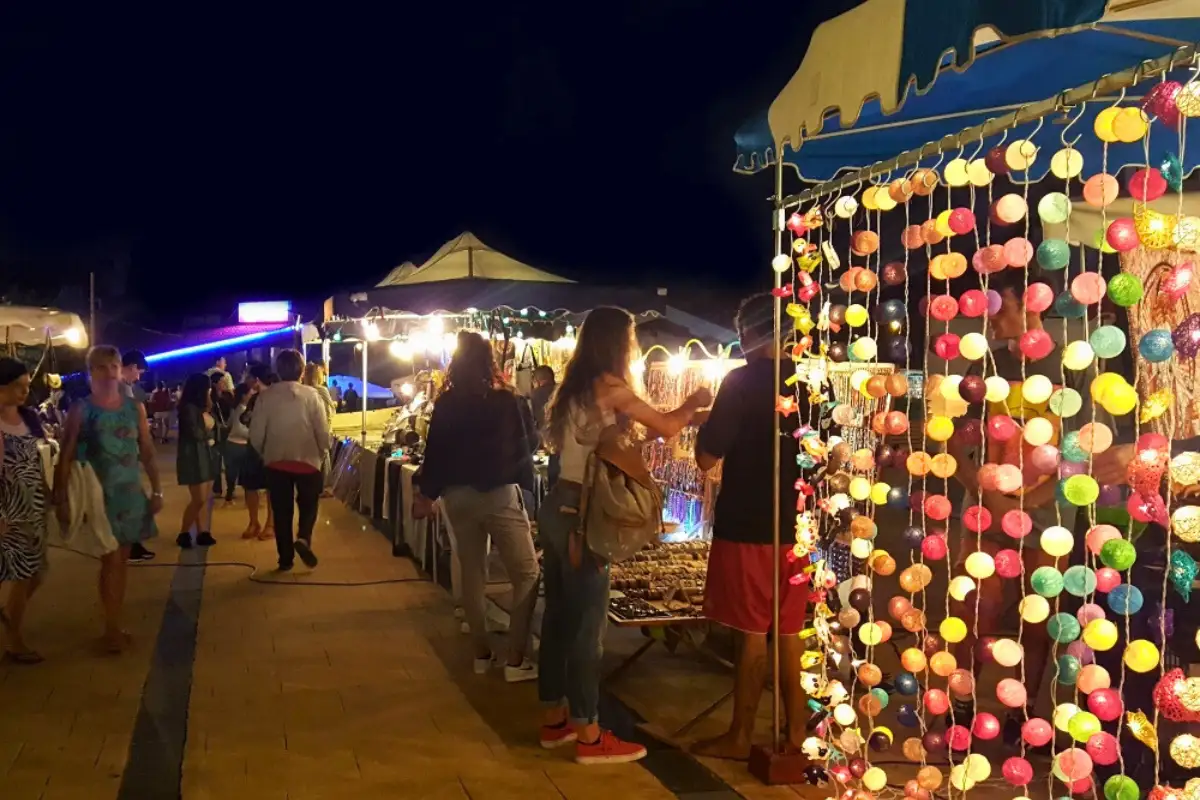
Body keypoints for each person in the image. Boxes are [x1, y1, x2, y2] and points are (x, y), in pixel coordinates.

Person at [538, 306, 710, 764]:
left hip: (558, 507)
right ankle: (590, 734)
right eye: (631, 341)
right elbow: (668, 426)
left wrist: (666, 424)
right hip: (584, 517)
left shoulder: (573, 389)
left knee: (558, 617)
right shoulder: (611, 388)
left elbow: (617, 445)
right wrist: (693, 404)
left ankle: (554, 720)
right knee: (587, 628)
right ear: (619, 344)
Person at [946, 268, 1093, 740]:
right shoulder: (984, 365)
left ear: (1032, 302)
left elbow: (1082, 450)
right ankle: (962, 701)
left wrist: (1039, 500)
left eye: (998, 308)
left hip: (1049, 518)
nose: (989, 320)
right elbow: (957, 441)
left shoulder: (1071, 364)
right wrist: (980, 488)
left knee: (1038, 614)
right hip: (985, 509)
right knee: (977, 609)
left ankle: (1023, 706)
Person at [687, 293, 814, 760]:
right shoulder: (810, 383)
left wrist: (704, 424)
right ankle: (797, 732)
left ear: (751, 333)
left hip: (748, 524)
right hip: (799, 531)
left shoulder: (739, 382)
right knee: (788, 634)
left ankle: (741, 735)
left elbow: (706, 458)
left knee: (751, 634)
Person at [415, 333, 540, 682]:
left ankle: (482, 654)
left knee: (472, 572)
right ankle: (516, 658)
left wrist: (427, 492)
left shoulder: (446, 403)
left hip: (457, 496)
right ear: (490, 362)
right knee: (526, 573)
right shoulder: (508, 400)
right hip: (498, 492)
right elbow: (531, 441)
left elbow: (434, 453)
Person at [54, 346, 163, 654]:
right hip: (99, 495)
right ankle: (111, 627)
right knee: (112, 561)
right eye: (100, 367)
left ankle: (113, 621)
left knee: (121, 562)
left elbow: (147, 450)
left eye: (113, 366)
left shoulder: (134, 408)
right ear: (91, 372)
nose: (108, 372)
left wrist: (157, 489)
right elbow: (66, 453)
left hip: (129, 494)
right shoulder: (82, 409)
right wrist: (61, 496)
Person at [250, 350, 331, 571]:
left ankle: (285, 558)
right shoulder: (312, 395)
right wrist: (324, 452)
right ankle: (303, 537)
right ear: (302, 370)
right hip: (308, 460)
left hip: (276, 462)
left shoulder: (265, 397)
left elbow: (256, 434)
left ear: (277, 370)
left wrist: (264, 453)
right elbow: (322, 431)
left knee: (281, 511)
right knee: (308, 505)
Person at [0, 358, 51, 663]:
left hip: (32, 507)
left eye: (26, 386)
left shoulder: (28, 418)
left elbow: (35, 462)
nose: (23, 392)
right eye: (17, 386)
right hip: (9, 511)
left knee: (36, 571)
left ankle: (10, 616)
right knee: (23, 572)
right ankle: (14, 640)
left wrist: (47, 493)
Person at [175, 373, 217, 549]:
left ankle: (202, 532)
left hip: (204, 453)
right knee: (198, 498)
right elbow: (194, 432)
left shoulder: (199, 408)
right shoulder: (189, 409)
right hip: (193, 455)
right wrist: (208, 432)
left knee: (204, 497)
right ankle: (184, 532)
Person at [237, 366, 275, 541]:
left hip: (270, 447)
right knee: (249, 485)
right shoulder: (254, 399)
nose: (247, 380)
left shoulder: (274, 397)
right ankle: (254, 522)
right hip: (253, 446)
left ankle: (270, 524)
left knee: (271, 486)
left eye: (249, 377)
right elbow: (243, 418)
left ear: (256, 379)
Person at [303, 362, 337, 496]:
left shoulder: (304, 390)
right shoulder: (321, 390)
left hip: (308, 429)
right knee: (324, 457)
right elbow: (330, 409)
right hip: (321, 427)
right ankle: (324, 487)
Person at [530, 364, 559, 487]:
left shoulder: (534, 395)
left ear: (537, 381)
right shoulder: (562, 392)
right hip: (560, 446)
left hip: (541, 446)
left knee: (540, 476)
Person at [209, 373, 234, 505]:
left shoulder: (228, 396)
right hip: (218, 432)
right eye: (222, 381)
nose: (224, 383)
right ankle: (217, 488)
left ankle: (230, 489)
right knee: (217, 462)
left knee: (228, 462)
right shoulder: (211, 398)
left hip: (227, 431)